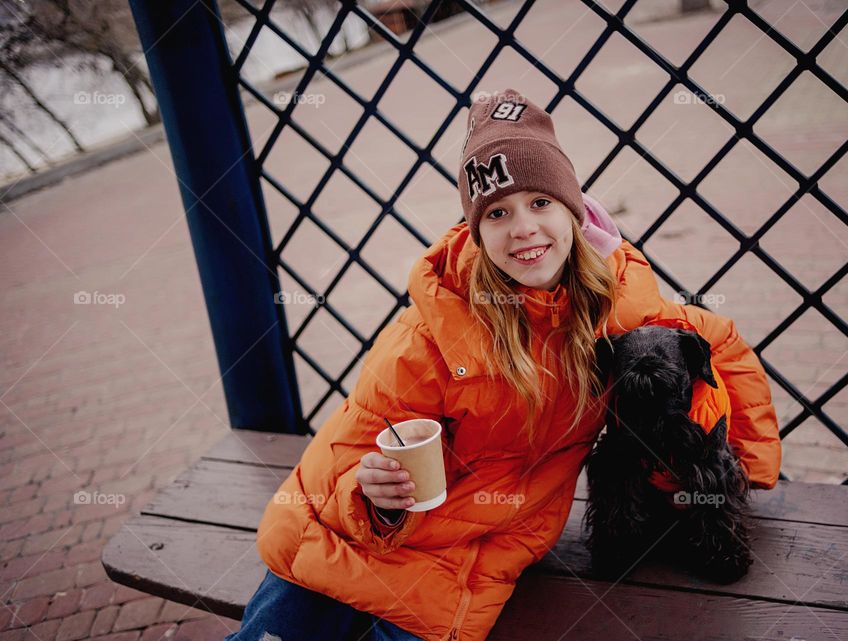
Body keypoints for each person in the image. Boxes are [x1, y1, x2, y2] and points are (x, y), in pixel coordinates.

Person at [224, 89, 781, 641]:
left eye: (540, 203)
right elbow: (351, 447)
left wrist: (749, 465)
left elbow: (721, 341)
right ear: (475, 229)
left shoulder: (622, 310)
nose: (523, 228)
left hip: (477, 554)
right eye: (497, 212)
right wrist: (368, 496)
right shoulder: (428, 334)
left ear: (573, 209)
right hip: (346, 538)